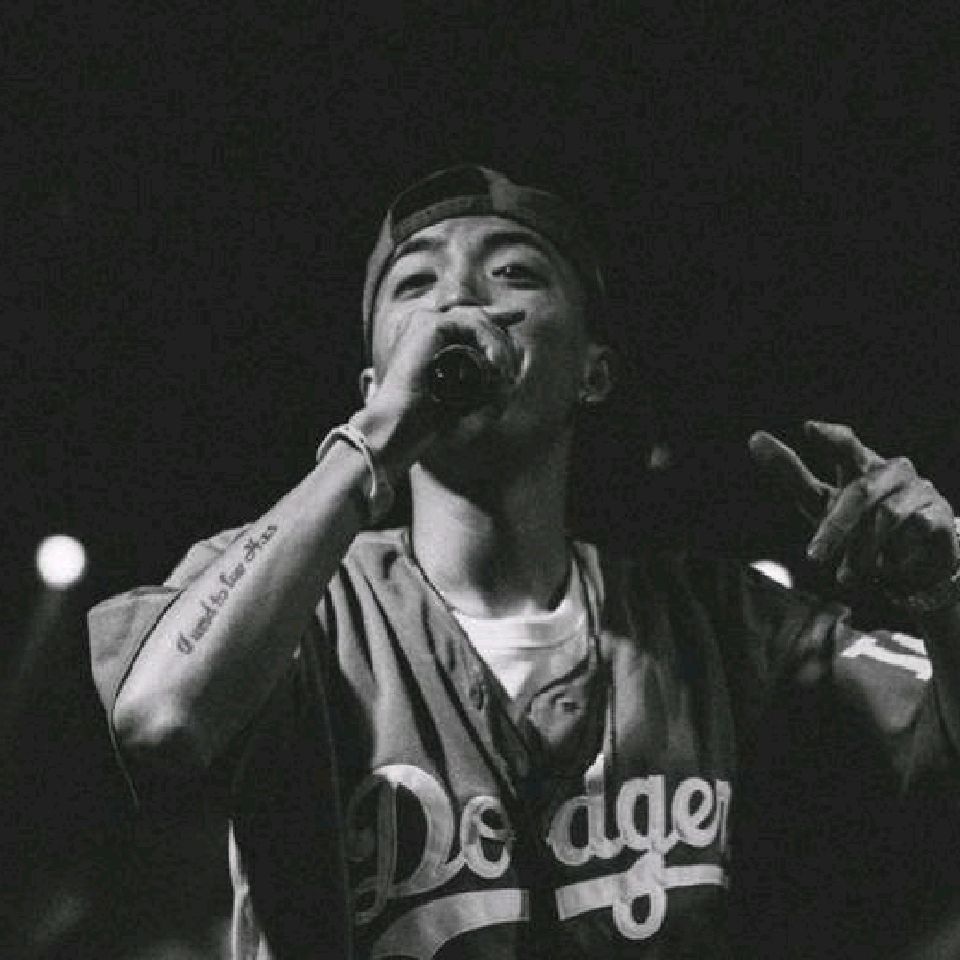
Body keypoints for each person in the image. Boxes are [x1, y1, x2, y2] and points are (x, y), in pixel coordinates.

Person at [88, 165, 960, 960]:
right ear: (374, 381)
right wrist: (374, 443)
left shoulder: (715, 620)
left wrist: (944, 591)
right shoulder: (296, 600)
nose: (460, 295)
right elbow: (162, 718)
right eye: (415, 283)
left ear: (593, 372)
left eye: (515, 272)